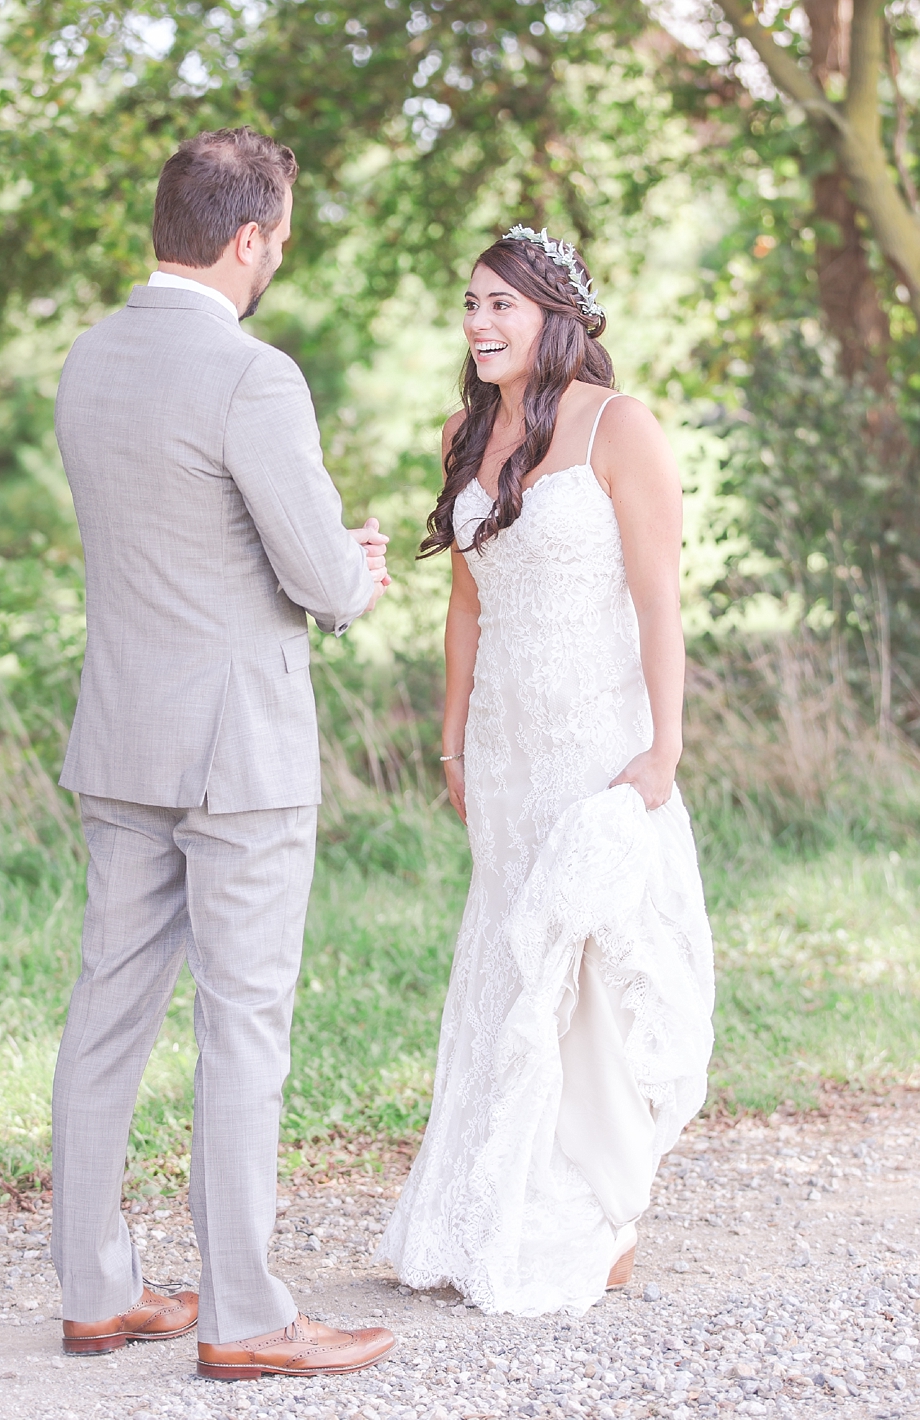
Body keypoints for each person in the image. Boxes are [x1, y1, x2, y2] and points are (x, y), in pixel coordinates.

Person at [49, 127, 399, 1383]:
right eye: (279, 244)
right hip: (236, 754)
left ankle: (94, 1291)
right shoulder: (253, 377)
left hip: (120, 736)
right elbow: (314, 579)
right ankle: (243, 1318)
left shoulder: (85, 362)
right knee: (241, 1026)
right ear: (244, 239)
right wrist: (351, 568)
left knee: (104, 1015)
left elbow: (171, 543)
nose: (277, 266)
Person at [377, 229, 715, 1316]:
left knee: (587, 963)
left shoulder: (620, 428)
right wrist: (450, 740)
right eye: (469, 304)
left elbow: (659, 601)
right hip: (507, 747)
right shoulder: (460, 435)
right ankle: (495, 1197)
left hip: (596, 739)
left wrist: (660, 747)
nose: (477, 324)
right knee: (510, 956)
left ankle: (602, 1209)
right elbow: (463, 604)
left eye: (499, 307)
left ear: (552, 318)